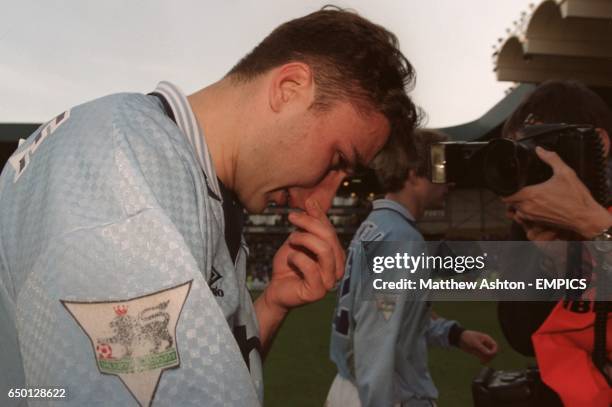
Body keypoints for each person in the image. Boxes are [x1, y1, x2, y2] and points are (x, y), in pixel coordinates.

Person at [0, 7, 420, 406]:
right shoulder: (123, 162)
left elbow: (213, 381)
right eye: (336, 161)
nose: (322, 202)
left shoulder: (189, 181)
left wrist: (271, 305)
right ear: (289, 88)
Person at [327, 129, 498, 407]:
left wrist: (455, 335)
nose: (450, 182)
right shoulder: (400, 238)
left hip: (354, 386)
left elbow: (395, 313)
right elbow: (376, 340)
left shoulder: (377, 226)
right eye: (441, 172)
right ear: (413, 174)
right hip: (387, 394)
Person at [501, 80, 612, 406]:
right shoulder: (533, 220)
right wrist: (554, 264)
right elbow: (520, 335)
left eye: (540, 150)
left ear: (598, 144)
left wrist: (595, 229)